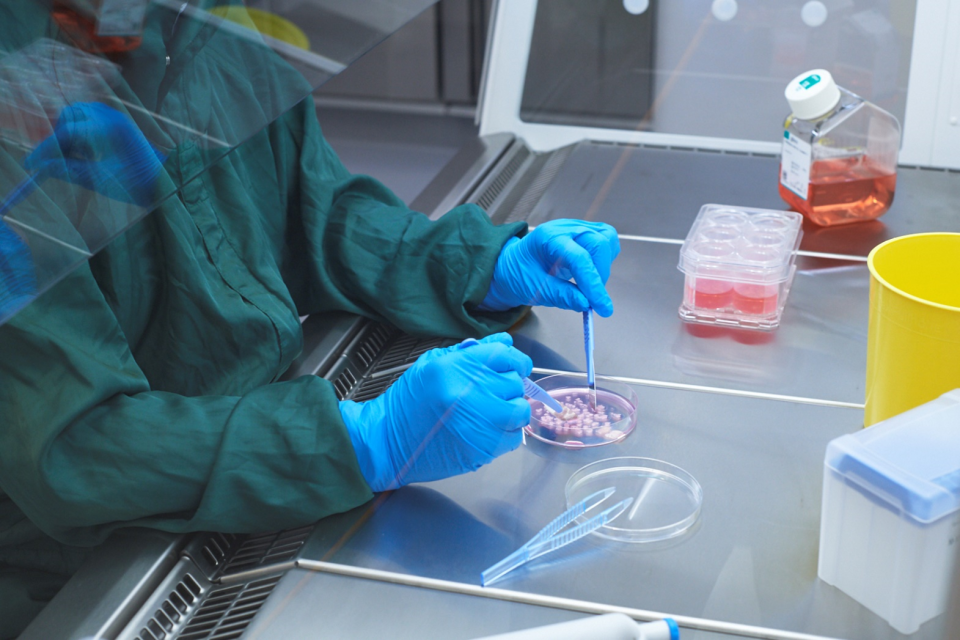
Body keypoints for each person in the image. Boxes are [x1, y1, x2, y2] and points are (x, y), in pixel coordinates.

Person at [0, 4, 620, 637]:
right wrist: (361, 440)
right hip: (82, 573)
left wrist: (481, 263)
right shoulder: (16, 97)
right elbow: (75, 443)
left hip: (263, 469)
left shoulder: (199, 26)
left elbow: (312, 212)